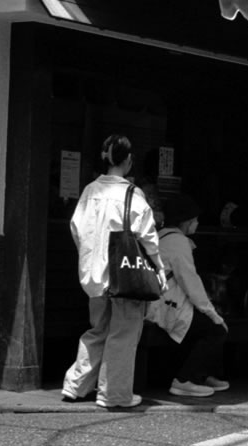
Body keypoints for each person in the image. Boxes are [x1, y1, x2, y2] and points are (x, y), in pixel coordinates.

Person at [61, 134, 164, 408]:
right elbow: (148, 237)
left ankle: (75, 385)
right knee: (123, 334)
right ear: (128, 161)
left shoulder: (89, 191)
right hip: (125, 276)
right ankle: (114, 394)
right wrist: (159, 268)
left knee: (98, 330)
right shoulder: (133, 194)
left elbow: (76, 229)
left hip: (94, 277)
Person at [145, 194, 231, 397]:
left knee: (203, 328)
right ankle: (185, 379)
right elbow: (191, 282)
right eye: (195, 219)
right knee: (217, 330)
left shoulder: (164, 236)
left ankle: (200, 375)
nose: (198, 223)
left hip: (159, 304)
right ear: (185, 221)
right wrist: (213, 314)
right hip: (166, 307)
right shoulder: (178, 243)